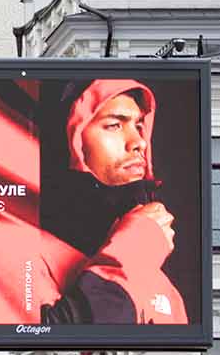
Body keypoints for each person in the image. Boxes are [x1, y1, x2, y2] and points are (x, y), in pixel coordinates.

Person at [40, 80, 187, 325]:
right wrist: (134, 250)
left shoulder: (163, 286)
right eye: (114, 125)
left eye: (140, 126)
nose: (138, 142)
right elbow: (51, 346)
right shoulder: (29, 258)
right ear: (72, 140)